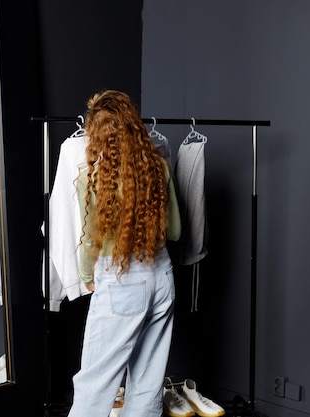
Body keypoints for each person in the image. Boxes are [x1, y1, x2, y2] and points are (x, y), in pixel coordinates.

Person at [68, 90, 181, 417]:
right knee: (147, 384)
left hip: (121, 282)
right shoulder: (158, 166)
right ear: (133, 125)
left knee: (95, 384)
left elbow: (90, 242)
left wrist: (88, 277)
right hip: (162, 277)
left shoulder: (91, 177)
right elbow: (174, 231)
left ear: (95, 132)